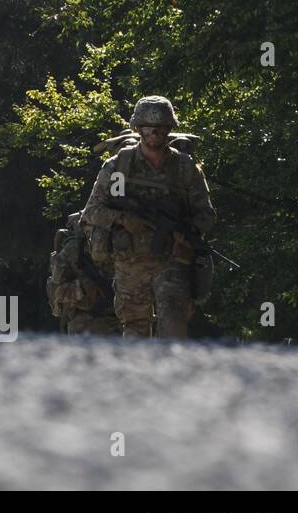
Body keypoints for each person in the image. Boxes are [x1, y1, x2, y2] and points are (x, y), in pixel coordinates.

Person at [81, 97, 216, 338]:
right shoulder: (118, 166)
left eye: (162, 128)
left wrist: (190, 231)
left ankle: (169, 375)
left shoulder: (185, 168)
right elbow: (91, 212)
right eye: (149, 127)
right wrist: (122, 219)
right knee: (135, 332)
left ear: (169, 129)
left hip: (173, 261)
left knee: (174, 325)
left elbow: (206, 215)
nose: (155, 133)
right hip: (130, 264)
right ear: (138, 129)